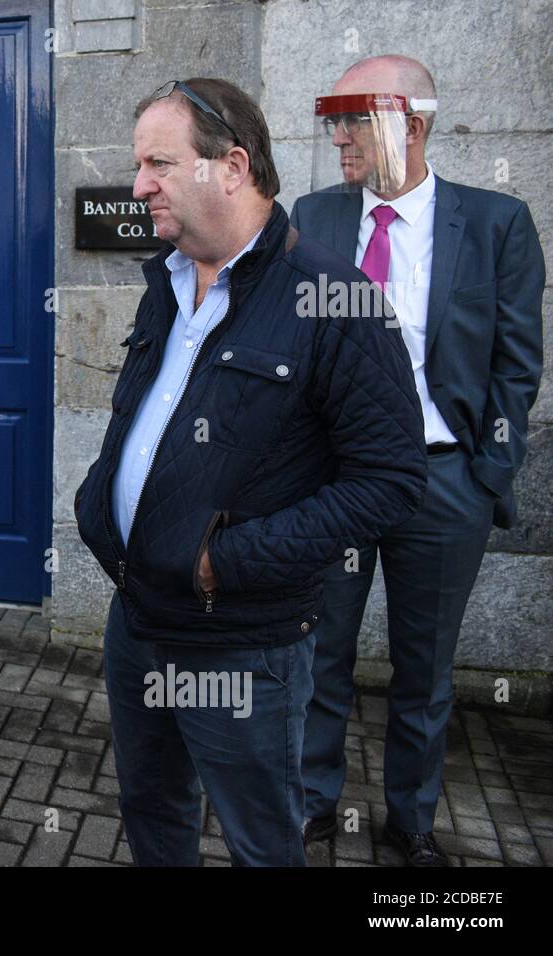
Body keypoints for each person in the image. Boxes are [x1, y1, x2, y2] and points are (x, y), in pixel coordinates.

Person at [74, 78, 428, 866]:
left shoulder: (335, 298)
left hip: (240, 644)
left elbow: (392, 479)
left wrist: (223, 561)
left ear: (231, 166)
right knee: (152, 809)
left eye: (159, 164)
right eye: (139, 166)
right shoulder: (164, 283)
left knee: (260, 839)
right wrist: (100, 502)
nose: (139, 186)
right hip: (136, 620)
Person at [294, 55, 545, 867]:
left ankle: (410, 820)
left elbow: (516, 365)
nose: (338, 137)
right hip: (336, 479)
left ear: (412, 122)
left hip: (444, 482)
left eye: (355, 119)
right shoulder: (315, 217)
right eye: (333, 120)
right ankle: (310, 801)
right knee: (320, 650)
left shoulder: (497, 222)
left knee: (425, 669)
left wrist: (484, 477)